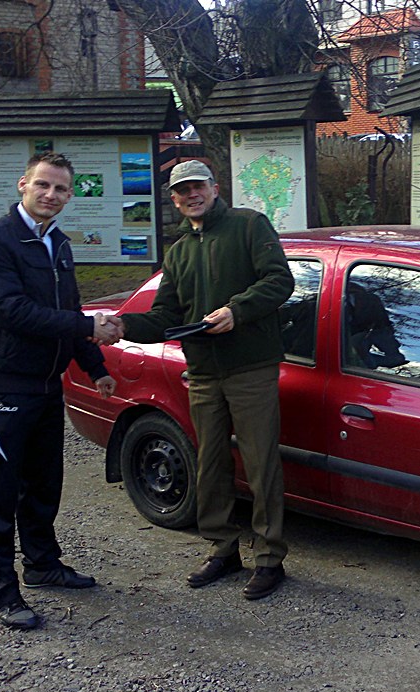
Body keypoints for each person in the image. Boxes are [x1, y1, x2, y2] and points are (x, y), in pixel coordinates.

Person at [110, 160, 294, 601]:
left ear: (214, 188)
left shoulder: (250, 226)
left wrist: (237, 310)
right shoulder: (178, 253)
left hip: (251, 368)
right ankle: (222, 547)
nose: (190, 195)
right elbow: (166, 317)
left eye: (197, 187)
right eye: (181, 191)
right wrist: (120, 326)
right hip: (205, 373)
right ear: (174, 200)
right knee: (210, 462)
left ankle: (269, 558)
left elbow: (279, 282)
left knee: (260, 462)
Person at [0, 152, 121, 630]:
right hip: (5, 385)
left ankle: (41, 566)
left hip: (47, 385)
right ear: (23, 186)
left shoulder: (58, 243)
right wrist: (88, 324)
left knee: (44, 481)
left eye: (62, 189)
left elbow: (67, 308)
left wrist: (94, 366)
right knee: (1, 491)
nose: (51, 195)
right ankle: (4, 592)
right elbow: (16, 313)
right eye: (43, 185)